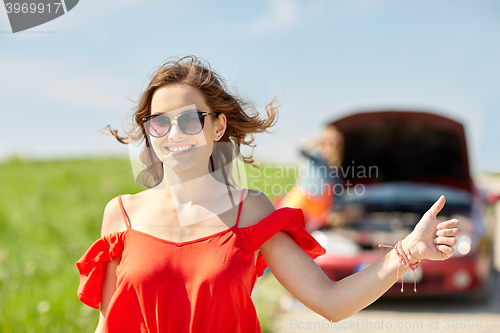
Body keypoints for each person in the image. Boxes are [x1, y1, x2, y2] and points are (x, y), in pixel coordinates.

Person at [76, 56, 459, 333]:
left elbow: (331, 303)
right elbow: (110, 324)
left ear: (217, 126)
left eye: (190, 119)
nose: (174, 134)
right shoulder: (121, 215)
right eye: (158, 122)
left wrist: (407, 251)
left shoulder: (251, 210)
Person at [277, 124, 344, 231]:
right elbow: (300, 148)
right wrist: (321, 138)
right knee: (279, 225)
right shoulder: (315, 159)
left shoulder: (334, 171)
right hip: (301, 201)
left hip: (315, 214)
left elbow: (338, 196)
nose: (329, 148)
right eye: (326, 144)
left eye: (333, 145)